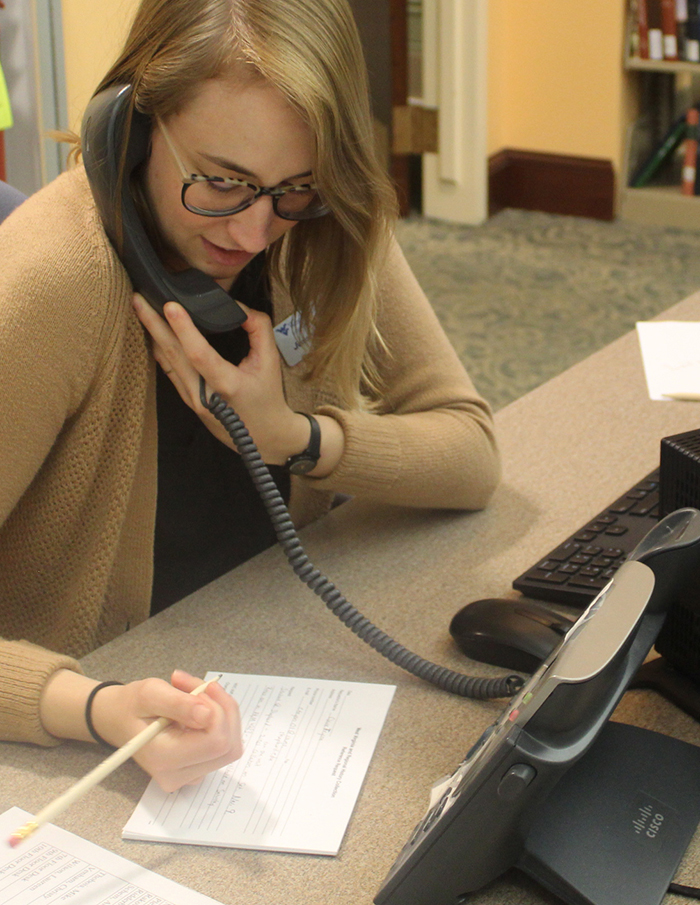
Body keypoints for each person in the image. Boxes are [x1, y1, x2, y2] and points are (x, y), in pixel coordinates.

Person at [0, 0, 499, 791]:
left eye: (294, 187)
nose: (253, 233)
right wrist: (90, 706)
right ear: (133, 123)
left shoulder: (318, 227)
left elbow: (472, 451)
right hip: (82, 750)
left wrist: (294, 438)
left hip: (271, 664)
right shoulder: (52, 281)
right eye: (222, 182)